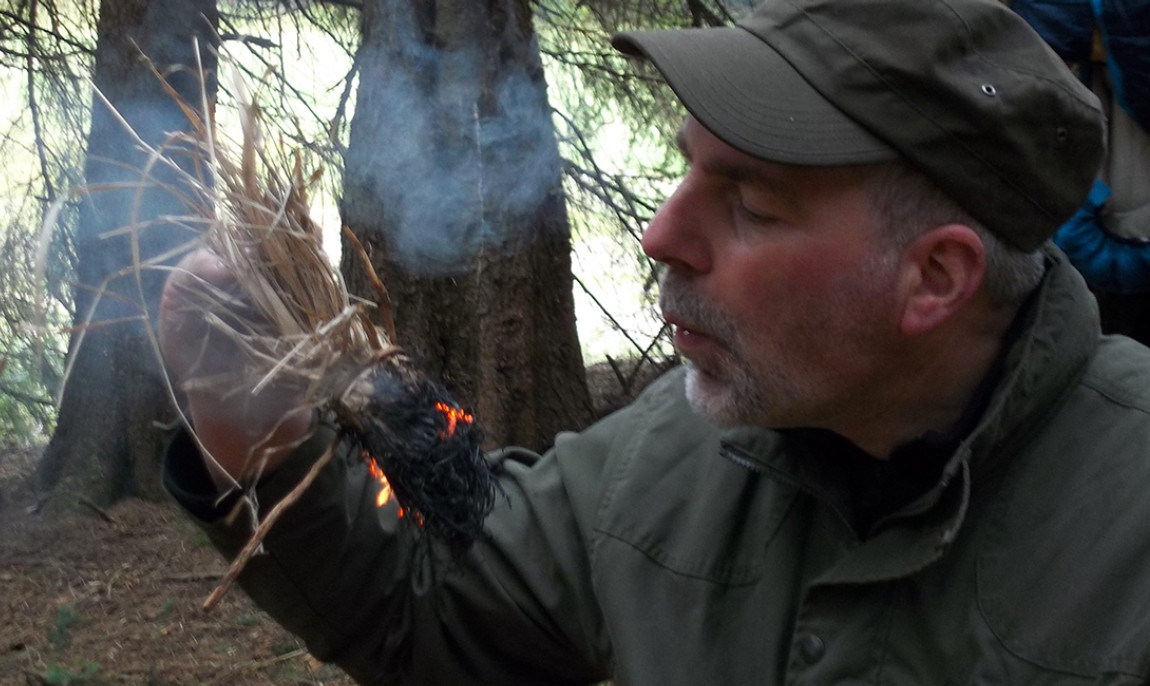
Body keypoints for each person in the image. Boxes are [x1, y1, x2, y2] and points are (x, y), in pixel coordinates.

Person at [159, 0, 1150, 683]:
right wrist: (259, 445)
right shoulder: (675, 455)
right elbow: (429, 617)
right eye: (686, 173)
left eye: (752, 204)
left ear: (934, 277)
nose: (660, 234)